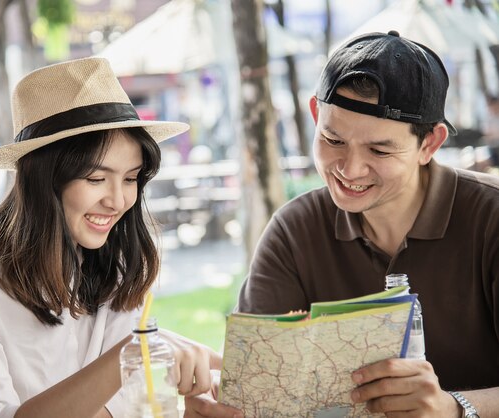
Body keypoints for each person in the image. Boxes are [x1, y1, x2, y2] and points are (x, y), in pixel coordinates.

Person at [187, 31, 499, 417]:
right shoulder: (294, 230)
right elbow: (256, 385)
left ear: (429, 145)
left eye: (379, 149)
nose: (349, 169)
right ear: (316, 114)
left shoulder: (491, 218)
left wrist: (455, 409)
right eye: (333, 140)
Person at [0, 57, 223, 418]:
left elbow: (123, 406)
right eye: (96, 179)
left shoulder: (115, 265)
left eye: (130, 179)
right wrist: (130, 353)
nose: (117, 201)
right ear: (43, 179)